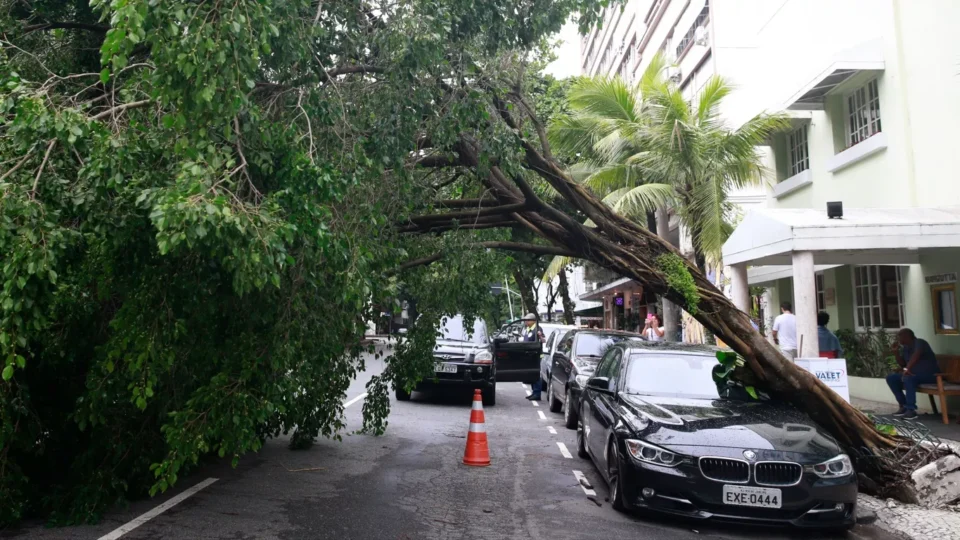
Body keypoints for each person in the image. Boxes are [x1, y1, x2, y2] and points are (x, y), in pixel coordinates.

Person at [886, 328, 940, 419]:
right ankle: (903, 406)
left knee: (908, 378)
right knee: (891, 378)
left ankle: (911, 410)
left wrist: (907, 368)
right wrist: (896, 353)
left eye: (900, 337)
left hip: (931, 375)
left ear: (907, 336)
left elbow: (916, 354)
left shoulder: (920, 342)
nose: (899, 339)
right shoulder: (906, 348)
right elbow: (903, 363)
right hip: (915, 375)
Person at [520, 313, 546, 400]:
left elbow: (543, 340)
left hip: (536, 355)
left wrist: (540, 335)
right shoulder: (527, 328)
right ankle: (533, 392)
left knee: (535, 374)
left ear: (533, 321)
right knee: (531, 373)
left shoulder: (537, 328)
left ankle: (537, 393)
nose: (526, 322)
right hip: (529, 355)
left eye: (527, 320)